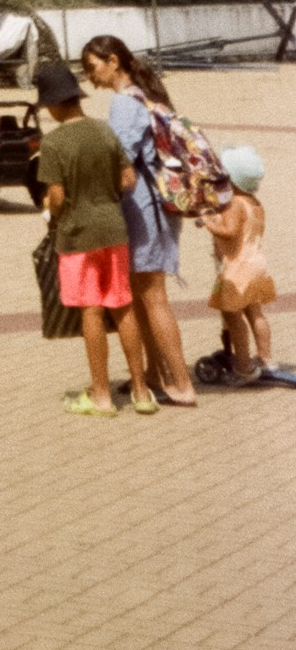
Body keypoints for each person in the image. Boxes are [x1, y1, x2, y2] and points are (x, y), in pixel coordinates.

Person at [79, 35, 197, 408]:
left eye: (92, 67)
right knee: (144, 295)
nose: (90, 77)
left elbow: (122, 159)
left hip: (143, 209)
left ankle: (181, 382)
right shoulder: (144, 97)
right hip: (151, 208)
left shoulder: (124, 103)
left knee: (152, 295)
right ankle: (152, 375)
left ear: (113, 61)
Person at [36, 58, 154, 417]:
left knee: (91, 310)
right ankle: (141, 391)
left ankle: (101, 395)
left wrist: (53, 212)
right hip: (114, 230)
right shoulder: (104, 130)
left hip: (78, 235)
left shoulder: (54, 143)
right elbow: (128, 179)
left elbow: (56, 197)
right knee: (123, 306)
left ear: (54, 104)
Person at [199, 144, 278, 385]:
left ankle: (243, 368)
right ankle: (266, 358)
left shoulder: (235, 204)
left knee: (233, 316)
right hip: (256, 264)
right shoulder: (254, 203)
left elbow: (229, 231)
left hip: (237, 269)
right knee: (256, 312)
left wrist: (208, 221)